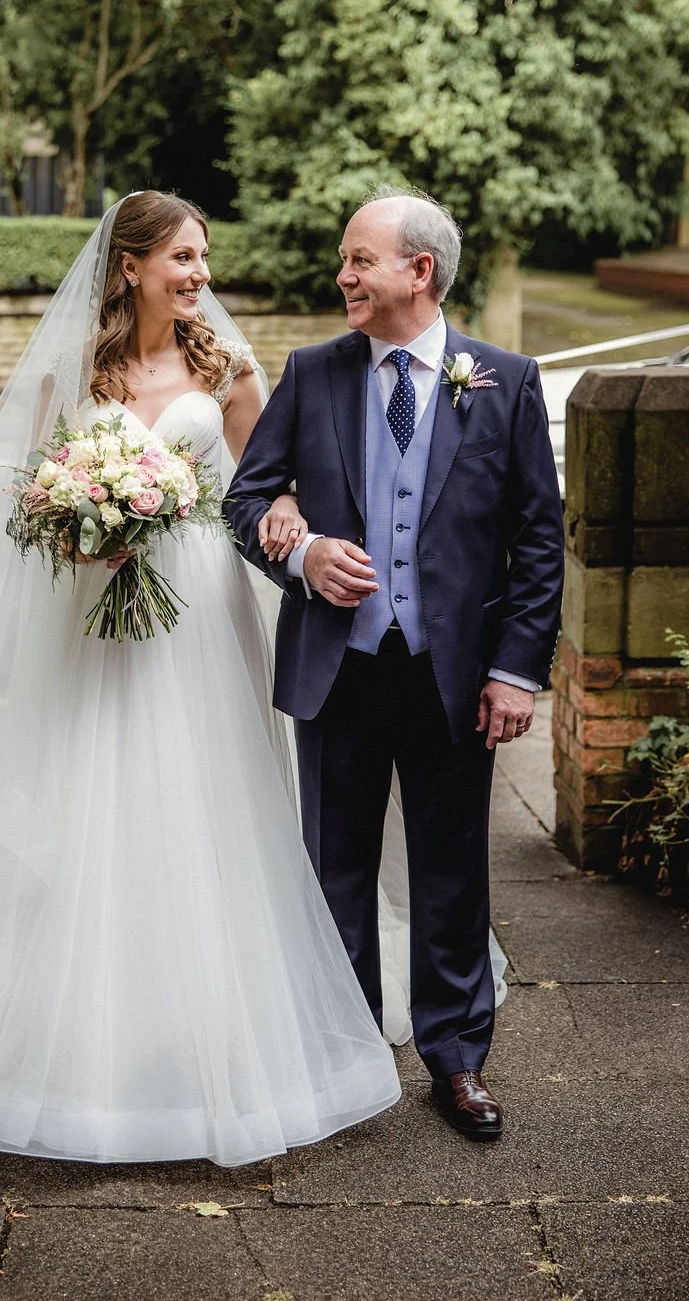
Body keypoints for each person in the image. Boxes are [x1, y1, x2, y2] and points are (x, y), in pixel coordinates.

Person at [0, 192, 401, 1166]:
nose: (198, 272)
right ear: (129, 266)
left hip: (200, 618)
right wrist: (80, 532)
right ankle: (72, 1039)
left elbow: (265, 489)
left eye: (203, 255)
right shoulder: (76, 372)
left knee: (203, 802)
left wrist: (295, 528)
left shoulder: (228, 368)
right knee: (94, 797)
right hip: (94, 613)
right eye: (181, 255)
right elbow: (24, 494)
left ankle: (204, 1029)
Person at [225, 189, 564, 1139]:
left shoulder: (505, 379)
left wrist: (516, 670)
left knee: (453, 870)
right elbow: (245, 498)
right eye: (345, 260)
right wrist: (299, 553)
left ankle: (457, 1062)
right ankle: (345, 1057)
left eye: (359, 259)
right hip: (343, 664)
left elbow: (538, 544)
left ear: (420, 271)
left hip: (454, 675)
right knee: (335, 867)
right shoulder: (314, 371)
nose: (343, 275)